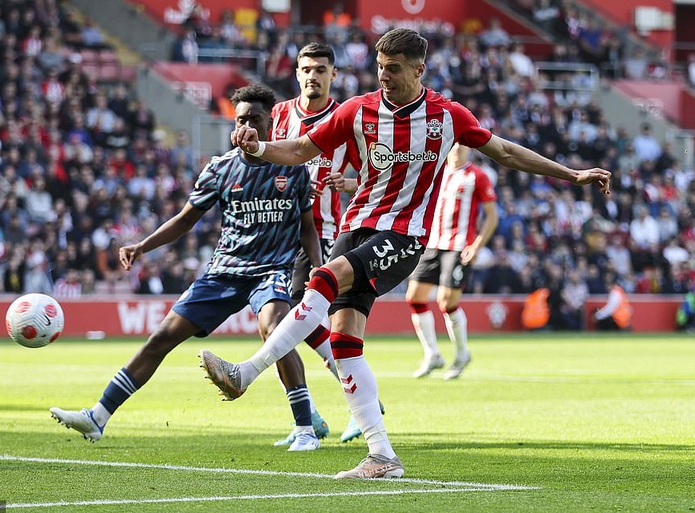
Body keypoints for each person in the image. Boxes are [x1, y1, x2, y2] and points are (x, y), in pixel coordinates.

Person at [200, 28, 611, 479]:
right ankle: (382, 456)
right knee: (343, 340)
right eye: (380, 67)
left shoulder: (447, 116)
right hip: (355, 228)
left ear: (419, 69)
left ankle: (246, 373)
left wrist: (571, 175)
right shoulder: (359, 110)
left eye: (393, 69)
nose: (384, 77)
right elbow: (300, 149)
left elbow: (506, 152)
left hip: (406, 235)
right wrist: (258, 147)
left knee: (323, 280)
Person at [50, 84, 326, 452]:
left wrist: (319, 273)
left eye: (255, 119)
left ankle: (305, 430)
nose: (247, 126)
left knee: (275, 330)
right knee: (162, 336)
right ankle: (98, 416)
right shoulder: (220, 169)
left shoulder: (292, 169)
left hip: (271, 270)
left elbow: (308, 229)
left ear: (271, 121)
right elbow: (184, 220)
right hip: (224, 271)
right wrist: (142, 245)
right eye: (241, 119)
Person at [269, 41, 368, 446]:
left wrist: (347, 183)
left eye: (321, 70)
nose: (313, 76)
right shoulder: (279, 114)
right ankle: (321, 411)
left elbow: (377, 178)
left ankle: (334, 408)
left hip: (325, 230)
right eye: (306, 69)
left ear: (333, 75)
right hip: (280, 232)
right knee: (276, 318)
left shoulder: (349, 119)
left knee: (293, 312)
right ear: (297, 73)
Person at [404, 144, 498, 380]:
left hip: (459, 247)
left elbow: (492, 216)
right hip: (432, 243)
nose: (457, 149)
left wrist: (476, 245)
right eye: (453, 145)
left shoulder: (477, 176)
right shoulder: (437, 172)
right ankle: (432, 354)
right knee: (414, 296)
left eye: (462, 145)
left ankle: (462, 354)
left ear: (469, 149)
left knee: (446, 302)